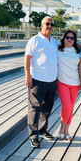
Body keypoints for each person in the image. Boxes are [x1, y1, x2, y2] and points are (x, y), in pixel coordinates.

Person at [24, 16, 58, 148]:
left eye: (51, 24)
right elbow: (27, 58)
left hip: (51, 80)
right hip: (37, 80)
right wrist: (28, 76)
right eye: (47, 24)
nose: (49, 26)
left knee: (47, 107)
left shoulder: (54, 41)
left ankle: (42, 130)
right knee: (34, 109)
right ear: (42, 25)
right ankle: (33, 136)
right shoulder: (35, 40)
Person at [56, 29, 81, 141]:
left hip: (75, 83)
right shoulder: (57, 50)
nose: (70, 40)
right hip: (62, 82)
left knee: (71, 108)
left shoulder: (78, 51)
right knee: (66, 106)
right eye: (67, 37)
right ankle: (61, 129)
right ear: (63, 38)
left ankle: (67, 130)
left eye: (72, 38)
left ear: (74, 40)